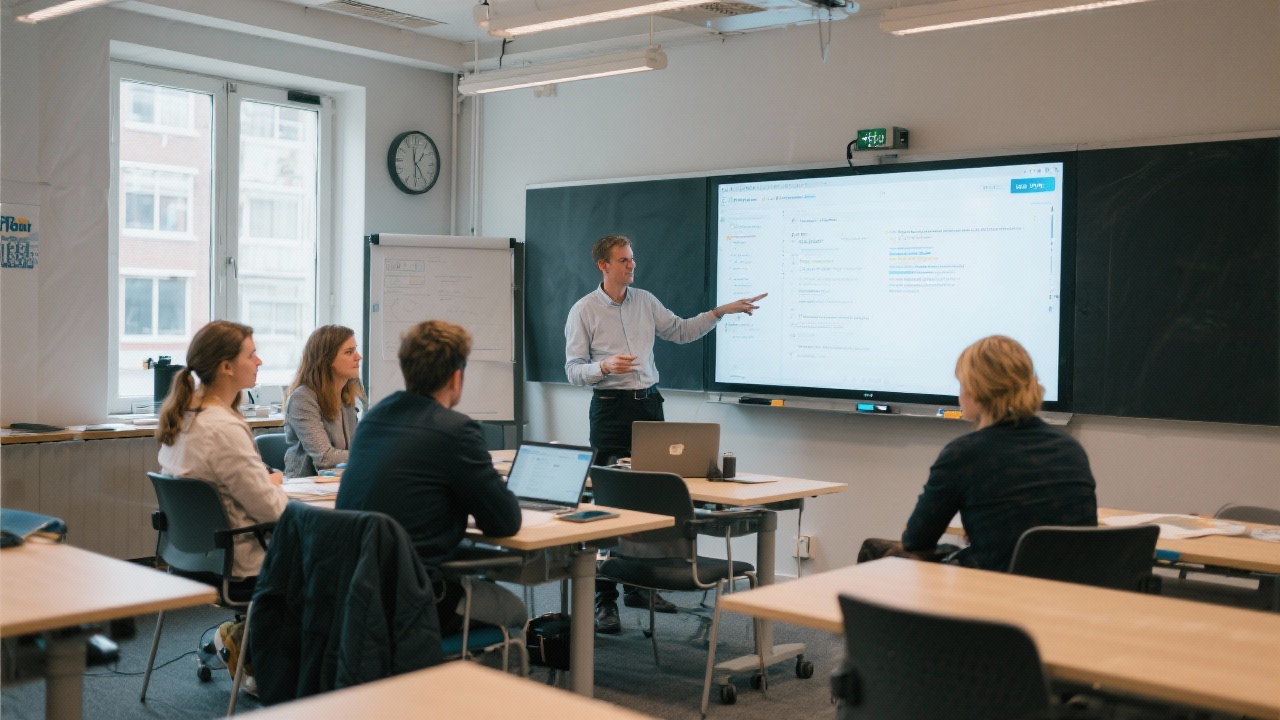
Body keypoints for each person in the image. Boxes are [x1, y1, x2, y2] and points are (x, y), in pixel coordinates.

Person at [564, 234, 766, 633]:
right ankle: (605, 600)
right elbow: (572, 370)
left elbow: (681, 331)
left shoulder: (645, 301)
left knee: (651, 499)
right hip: (610, 409)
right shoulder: (583, 310)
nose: (631, 265)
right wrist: (604, 367)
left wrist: (719, 312)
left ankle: (642, 586)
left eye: (632, 259)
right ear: (603, 265)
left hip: (649, 405)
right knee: (609, 500)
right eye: (623, 260)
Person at [336, 320, 525, 636]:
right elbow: (504, 523)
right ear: (456, 378)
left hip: (354, 595)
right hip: (416, 601)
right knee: (516, 612)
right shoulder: (456, 431)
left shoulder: (374, 419)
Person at [155, 320, 288, 690]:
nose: (259, 361)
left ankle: (243, 642)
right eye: (251, 354)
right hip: (238, 563)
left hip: (188, 557)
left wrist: (265, 485)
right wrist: (273, 485)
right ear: (226, 366)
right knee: (333, 563)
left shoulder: (184, 415)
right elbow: (272, 511)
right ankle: (260, 658)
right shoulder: (223, 427)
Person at [893, 335, 1098, 572]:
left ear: (976, 391)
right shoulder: (1070, 448)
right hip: (1073, 588)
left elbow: (916, 540)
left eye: (962, 384)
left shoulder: (964, 454)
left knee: (878, 552)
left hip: (999, 587)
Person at [282, 325, 363, 478]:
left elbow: (355, 447)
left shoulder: (346, 396)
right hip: (305, 485)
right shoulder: (303, 398)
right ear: (327, 359)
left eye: (355, 350)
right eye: (349, 352)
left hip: (337, 481)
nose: (358, 356)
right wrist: (371, 455)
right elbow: (324, 457)